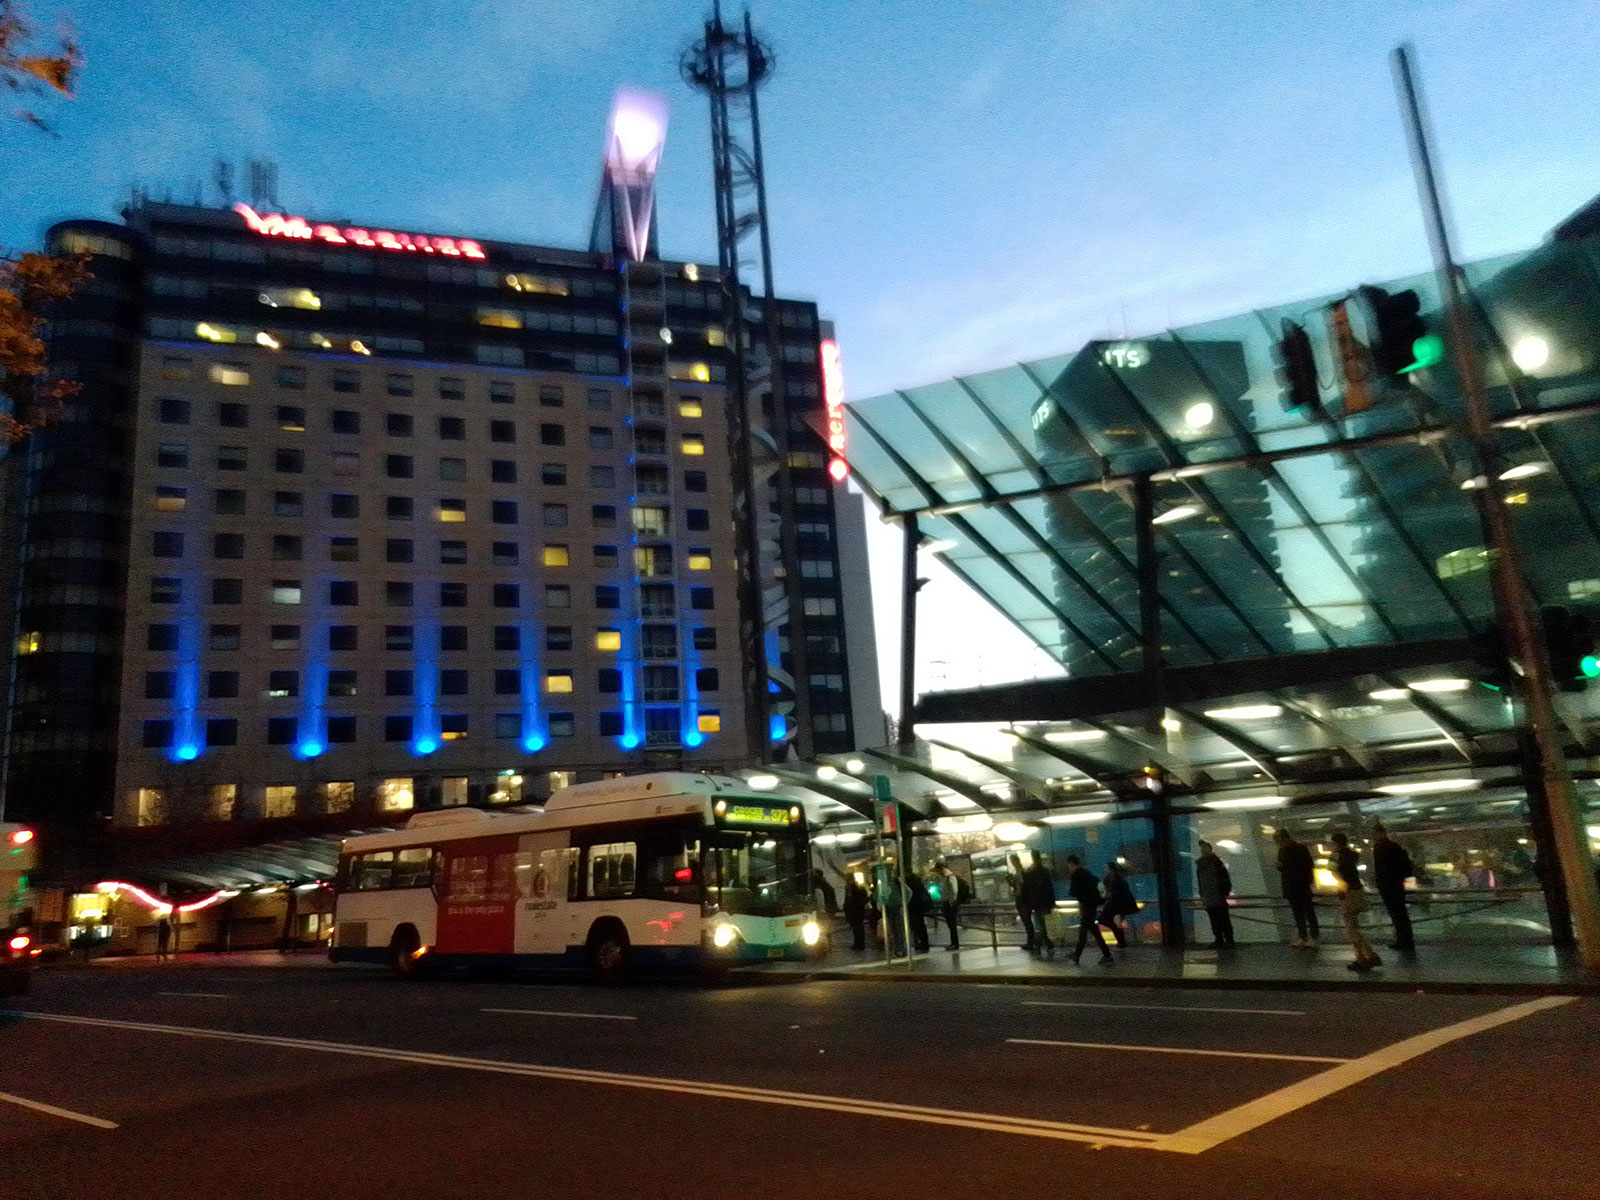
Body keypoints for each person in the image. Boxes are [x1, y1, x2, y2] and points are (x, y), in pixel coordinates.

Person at [1332, 831, 1381, 971]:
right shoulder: (1351, 855)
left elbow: (1337, 873)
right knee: (1355, 927)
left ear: (1336, 843)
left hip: (1348, 895)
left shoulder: (1341, 858)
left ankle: (1364, 957)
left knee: (1352, 929)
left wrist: (1332, 861)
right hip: (1356, 892)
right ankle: (1367, 955)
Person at [1371, 822, 1416, 954]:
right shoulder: (1393, 846)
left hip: (1388, 885)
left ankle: (1403, 941)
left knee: (1396, 914)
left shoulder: (1380, 848)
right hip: (1396, 884)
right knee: (1400, 914)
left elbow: (1381, 869)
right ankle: (1405, 941)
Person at [1274, 828, 1319, 948]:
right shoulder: (1300, 849)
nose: (1278, 843)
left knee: (1302, 913)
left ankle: (1307, 937)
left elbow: (1289, 868)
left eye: (1278, 840)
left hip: (1294, 886)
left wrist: (1282, 867)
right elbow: (1309, 866)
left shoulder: (1285, 851)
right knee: (1306, 913)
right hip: (1301, 886)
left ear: (1284, 838)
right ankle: (1310, 937)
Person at [1064, 855, 1112, 965]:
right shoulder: (1086, 872)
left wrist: (1080, 905)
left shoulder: (1076, 874)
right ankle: (1105, 954)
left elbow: (1074, 892)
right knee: (1092, 931)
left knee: (1085, 932)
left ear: (1070, 863)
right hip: (1092, 905)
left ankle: (1078, 955)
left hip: (1086, 906)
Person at [1195, 840, 1236, 949]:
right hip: (1213, 895)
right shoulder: (1215, 862)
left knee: (1219, 919)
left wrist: (1222, 892)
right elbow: (1225, 878)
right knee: (1219, 919)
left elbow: (1202, 881)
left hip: (1213, 895)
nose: (1203, 850)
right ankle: (1224, 939)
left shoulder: (1205, 864)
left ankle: (1223, 939)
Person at [1020, 852, 1057, 958]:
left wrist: (1026, 903)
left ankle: (1041, 947)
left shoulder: (1030, 872)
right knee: (1043, 926)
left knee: (1040, 927)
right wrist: (1052, 902)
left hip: (1036, 903)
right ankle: (1047, 945)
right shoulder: (1045, 871)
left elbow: (1027, 889)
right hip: (1045, 903)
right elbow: (1049, 888)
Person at [1098, 861, 1138, 948]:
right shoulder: (1115, 879)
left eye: (1106, 868)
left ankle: (1121, 941)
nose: (1105, 870)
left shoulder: (1115, 880)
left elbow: (1114, 894)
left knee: (1104, 920)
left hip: (1116, 905)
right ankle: (1121, 941)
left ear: (1111, 869)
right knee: (1114, 922)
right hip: (1118, 905)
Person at [930, 860, 964, 950]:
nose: (937, 873)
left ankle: (955, 944)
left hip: (950, 903)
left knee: (952, 924)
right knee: (950, 924)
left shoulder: (949, 876)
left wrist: (951, 901)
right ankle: (953, 943)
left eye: (937, 870)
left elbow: (954, 890)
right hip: (947, 902)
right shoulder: (944, 877)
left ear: (941, 868)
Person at [1008, 853, 1036, 952]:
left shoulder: (1021, 872)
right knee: (1027, 921)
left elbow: (1023, 887)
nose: (1012, 863)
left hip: (1022, 899)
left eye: (1013, 861)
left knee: (1027, 921)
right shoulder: (1019, 872)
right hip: (1021, 898)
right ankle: (1031, 941)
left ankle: (1031, 941)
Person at [904, 870, 932, 953]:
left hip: (914, 906)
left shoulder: (910, 884)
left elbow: (910, 894)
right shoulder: (919, 883)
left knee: (916, 925)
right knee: (920, 925)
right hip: (919, 906)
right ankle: (923, 942)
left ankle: (920, 942)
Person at [842, 875, 869, 951]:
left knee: (858, 928)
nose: (848, 882)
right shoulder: (848, 888)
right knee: (855, 928)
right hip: (853, 911)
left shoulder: (857, 889)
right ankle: (857, 943)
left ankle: (860, 943)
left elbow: (863, 898)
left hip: (857, 911)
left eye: (849, 880)